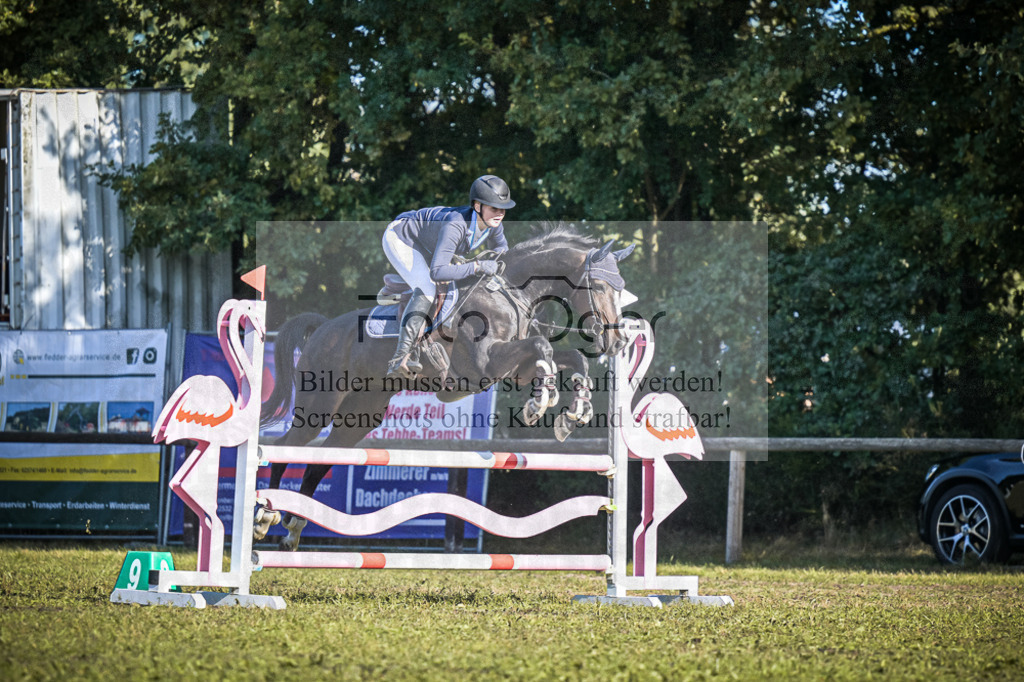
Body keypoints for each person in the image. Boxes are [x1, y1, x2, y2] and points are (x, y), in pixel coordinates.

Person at [381, 174, 515, 379]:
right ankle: (401, 355)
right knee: (427, 287)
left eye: (502, 209)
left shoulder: (493, 225)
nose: (500, 214)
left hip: (427, 244)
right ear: (477, 206)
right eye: (494, 208)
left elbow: (502, 250)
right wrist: (477, 266)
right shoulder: (456, 225)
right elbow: (438, 272)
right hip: (402, 237)